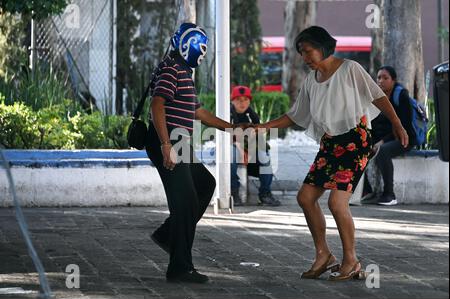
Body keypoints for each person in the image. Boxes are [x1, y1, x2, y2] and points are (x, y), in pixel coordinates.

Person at [254, 26, 409, 281]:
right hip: (330, 144)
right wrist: (264, 126)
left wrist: (397, 124)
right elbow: (295, 115)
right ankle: (324, 254)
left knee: (336, 203)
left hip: (355, 140)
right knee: (305, 197)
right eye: (301, 53)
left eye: (308, 51)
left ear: (323, 46)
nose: (304, 57)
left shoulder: (350, 69)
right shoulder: (310, 81)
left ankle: (351, 260)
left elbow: (378, 96)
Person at [147, 23, 245, 284]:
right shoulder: (171, 68)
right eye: (201, 47)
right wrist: (165, 145)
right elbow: (157, 105)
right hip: (169, 140)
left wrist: (231, 128)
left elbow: (198, 112)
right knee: (186, 201)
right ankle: (179, 267)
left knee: (205, 185)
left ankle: (170, 234)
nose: (202, 53)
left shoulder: (182, 71)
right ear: (188, 44)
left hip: (180, 142)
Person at [362, 66, 416, 206]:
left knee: (383, 151)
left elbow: (404, 126)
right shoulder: (375, 96)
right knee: (359, 148)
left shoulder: (401, 96)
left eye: (385, 78)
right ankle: (366, 191)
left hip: (403, 139)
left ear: (393, 80)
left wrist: (382, 142)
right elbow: (373, 124)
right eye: (379, 77)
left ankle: (389, 194)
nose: (381, 81)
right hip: (381, 139)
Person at [230, 85, 281, 207]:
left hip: (250, 147)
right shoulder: (228, 114)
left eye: (245, 99)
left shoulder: (252, 115)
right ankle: (234, 192)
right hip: (233, 145)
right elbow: (228, 137)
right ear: (232, 100)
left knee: (264, 155)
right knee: (232, 156)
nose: (242, 103)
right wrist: (241, 150)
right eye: (238, 100)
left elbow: (258, 137)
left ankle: (265, 194)